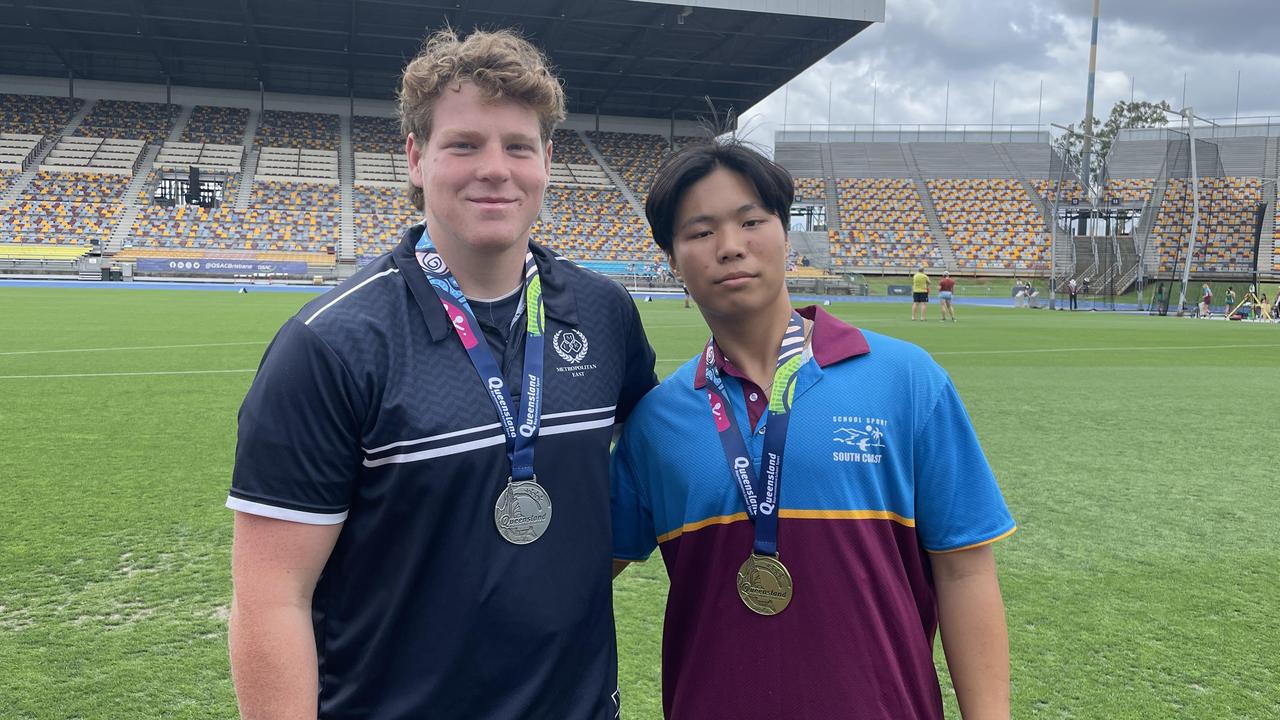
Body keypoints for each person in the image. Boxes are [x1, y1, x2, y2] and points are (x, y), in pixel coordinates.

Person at [226, 28, 657, 719]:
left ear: (547, 160)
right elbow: (271, 598)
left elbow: (658, 458)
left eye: (518, 146)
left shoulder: (604, 314)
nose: (495, 168)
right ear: (417, 158)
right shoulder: (331, 345)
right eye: (464, 145)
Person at [611, 141, 1015, 719]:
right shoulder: (657, 421)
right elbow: (576, 571)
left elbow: (965, 568)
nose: (730, 247)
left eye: (751, 221)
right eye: (699, 233)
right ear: (671, 261)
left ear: (785, 237)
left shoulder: (906, 380)